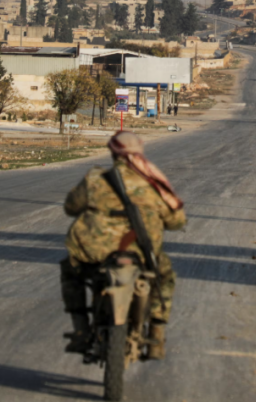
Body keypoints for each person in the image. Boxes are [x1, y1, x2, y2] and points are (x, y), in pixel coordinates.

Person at [61, 131, 186, 360]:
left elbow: (71, 207)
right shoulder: (152, 183)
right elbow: (176, 221)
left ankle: (80, 328)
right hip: (140, 253)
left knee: (71, 270)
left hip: (94, 252)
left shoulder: (95, 180)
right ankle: (156, 337)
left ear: (113, 153)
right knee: (164, 276)